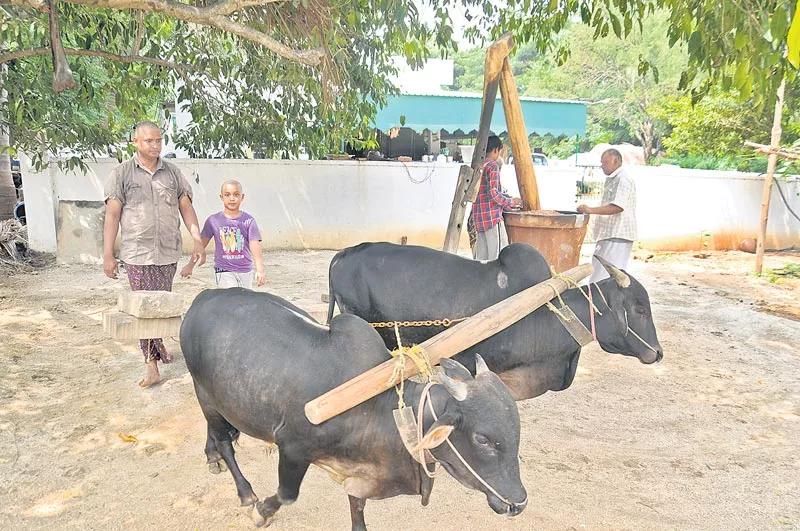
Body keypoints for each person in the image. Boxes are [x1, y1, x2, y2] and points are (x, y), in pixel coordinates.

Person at [103, 121, 205, 388]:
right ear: (135, 141)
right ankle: (151, 365)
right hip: (137, 253)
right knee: (144, 309)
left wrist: (197, 240)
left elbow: (186, 208)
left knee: (162, 305)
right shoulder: (121, 174)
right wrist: (108, 254)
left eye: (158, 140)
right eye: (149, 141)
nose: (155, 146)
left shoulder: (172, 173)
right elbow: (112, 215)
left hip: (168, 251)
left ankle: (157, 347)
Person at [180, 180, 266, 289]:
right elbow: (200, 246)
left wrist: (260, 270)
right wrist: (190, 266)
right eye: (227, 195)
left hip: (245, 271)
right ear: (221, 197)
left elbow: (255, 246)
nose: (232, 198)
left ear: (242, 197)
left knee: (243, 301)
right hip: (224, 271)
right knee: (230, 298)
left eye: (236, 194)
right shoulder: (213, 221)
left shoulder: (248, 221)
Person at [577, 148, 637, 282]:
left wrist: (591, 210)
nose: (601, 166)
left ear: (615, 161)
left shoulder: (623, 179)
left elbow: (617, 207)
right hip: (609, 234)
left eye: (604, 163)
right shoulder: (613, 179)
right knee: (599, 272)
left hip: (617, 234)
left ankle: (603, 302)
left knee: (606, 277)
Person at [470, 135, 522, 260]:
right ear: (495, 150)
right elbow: (493, 194)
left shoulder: (479, 167)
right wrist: (511, 202)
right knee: (498, 258)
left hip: (479, 219)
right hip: (492, 219)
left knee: (482, 259)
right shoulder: (493, 166)